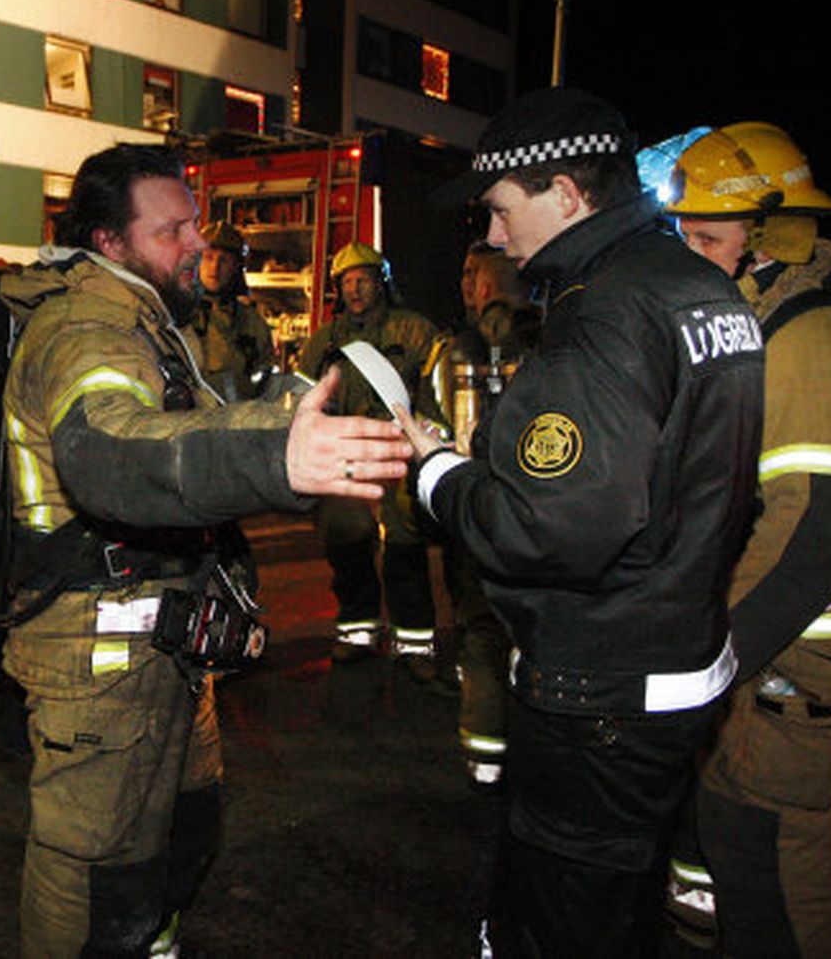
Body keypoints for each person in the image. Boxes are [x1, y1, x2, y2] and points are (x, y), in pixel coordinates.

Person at [0, 143, 411, 956]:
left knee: (181, 828)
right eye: (173, 229)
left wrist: (288, 422)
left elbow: (196, 413)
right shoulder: (89, 325)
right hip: (99, 654)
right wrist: (274, 459)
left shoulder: (146, 315)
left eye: (195, 224)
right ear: (110, 242)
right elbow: (110, 448)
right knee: (97, 868)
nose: (196, 243)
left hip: (162, 638)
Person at [404, 87, 766, 956]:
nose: (491, 238)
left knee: (557, 925)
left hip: (599, 692)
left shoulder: (602, 314)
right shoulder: (697, 288)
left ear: (566, 194)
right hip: (673, 664)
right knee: (619, 908)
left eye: (499, 210)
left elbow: (552, 526)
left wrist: (438, 474)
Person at [665, 123, 831, 957]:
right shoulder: (767, 330)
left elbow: (818, 534)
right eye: (683, 236)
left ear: (771, 236)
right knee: (740, 853)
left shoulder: (816, 342)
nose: (694, 256)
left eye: (710, 238)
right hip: (764, 660)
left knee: (778, 879)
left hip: (789, 666)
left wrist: (712, 657)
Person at [297, 242, 442, 666]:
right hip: (347, 458)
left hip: (399, 455)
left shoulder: (415, 331)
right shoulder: (326, 341)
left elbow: (435, 396)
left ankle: (414, 643)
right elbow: (304, 397)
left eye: (364, 279)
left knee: (405, 548)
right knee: (346, 545)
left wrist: (427, 443)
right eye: (347, 282)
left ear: (382, 283)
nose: (355, 289)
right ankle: (357, 629)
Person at [430, 242, 537, 786]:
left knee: (480, 629)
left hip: (475, 512)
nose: (465, 286)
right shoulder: (560, 336)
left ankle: (485, 756)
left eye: (472, 276)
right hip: (543, 513)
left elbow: (431, 430)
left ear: (488, 286)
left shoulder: (455, 348)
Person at [187, 221, 275, 402]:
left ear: (236, 267)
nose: (214, 268)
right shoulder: (175, 313)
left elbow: (265, 385)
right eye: (208, 257)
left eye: (224, 260)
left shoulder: (252, 324)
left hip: (235, 422)